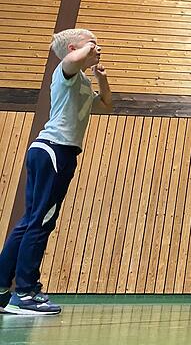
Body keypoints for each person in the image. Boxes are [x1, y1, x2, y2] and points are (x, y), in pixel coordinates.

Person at [0, 29, 112, 315]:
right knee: (41, 222)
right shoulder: (65, 72)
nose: (98, 47)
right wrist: (86, 49)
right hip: (54, 151)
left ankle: (2, 288)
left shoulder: (83, 81)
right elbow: (73, 56)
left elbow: (107, 103)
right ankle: (25, 292)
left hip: (51, 152)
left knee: (30, 220)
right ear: (75, 48)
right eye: (93, 43)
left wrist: (102, 79)